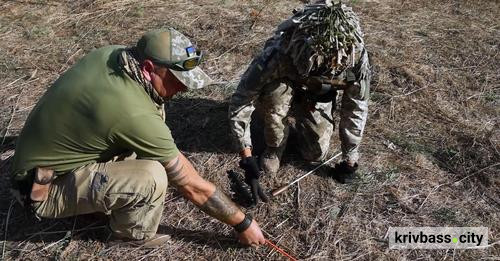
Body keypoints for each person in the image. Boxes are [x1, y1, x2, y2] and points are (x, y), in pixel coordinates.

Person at [10, 28, 266, 247]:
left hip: (40, 165)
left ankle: (93, 200)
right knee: (153, 176)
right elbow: (190, 185)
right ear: (147, 68)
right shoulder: (132, 114)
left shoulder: (114, 55)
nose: (185, 88)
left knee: (155, 114)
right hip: (39, 190)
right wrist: (242, 223)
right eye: (177, 79)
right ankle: (129, 235)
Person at [229, 1, 371, 203]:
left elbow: (356, 107)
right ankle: (275, 145)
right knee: (275, 95)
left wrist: (350, 156)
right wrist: (247, 156)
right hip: (283, 88)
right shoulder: (279, 53)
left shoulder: (355, 60)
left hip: (315, 96)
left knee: (315, 154)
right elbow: (241, 100)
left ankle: (304, 113)